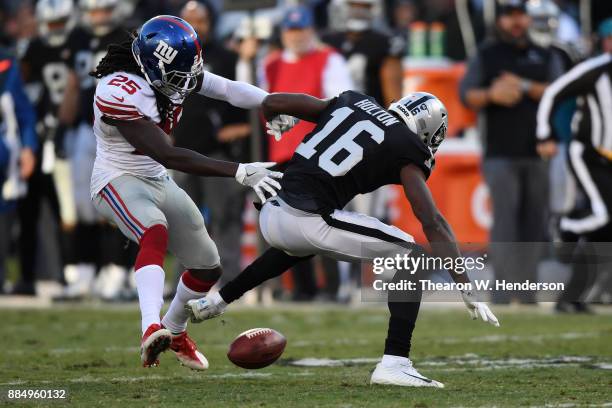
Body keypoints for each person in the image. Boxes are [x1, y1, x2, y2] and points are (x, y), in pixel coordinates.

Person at [187, 90, 500, 387]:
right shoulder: (407, 145)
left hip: (272, 213)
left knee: (302, 244)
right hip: (307, 218)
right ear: (427, 130)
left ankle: (218, 299)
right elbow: (432, 220)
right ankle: (395, 362)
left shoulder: (355, 100)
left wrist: (273, 119)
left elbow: (273, 101)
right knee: (414, 256)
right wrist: (464, 284)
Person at [88, 15, 287, 369]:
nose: (186, 83)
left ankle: (174, 330)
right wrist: (238, 171)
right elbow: (167, 153)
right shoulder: (118, 89)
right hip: (117, 178)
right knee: (154, 229)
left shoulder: (169, 72)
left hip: (156, 178)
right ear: (152, 65)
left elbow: (226, 89)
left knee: (207, 267)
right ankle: (150, 325)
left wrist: (271, 102)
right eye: (178, 75)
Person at [459, 0, 563, 303]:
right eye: (510, 17)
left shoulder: (544, 55)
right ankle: (503, 291)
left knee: (534, 222)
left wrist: (524, 84)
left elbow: (558, 91)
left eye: (520, 16)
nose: (516, 22)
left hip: (539, 149)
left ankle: (527, 291)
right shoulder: (487, 54)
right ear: (501, 20)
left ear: (528, 19)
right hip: (500, 151)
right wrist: (491, 94)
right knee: (505, 221)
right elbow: (467, 94)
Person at [263, 5, 354, 300]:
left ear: (311, 30)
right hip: (279, 154)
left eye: (301, 29)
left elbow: (341, 102)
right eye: (291, 30)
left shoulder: (329, 60)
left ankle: (333, 287)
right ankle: (303, 288)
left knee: (323, 220)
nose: (296, 36)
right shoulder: (271, 64)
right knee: (287, 226)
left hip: (316, 153)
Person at [172, 1, 251, 285]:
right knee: (184, 222)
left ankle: (230, 281)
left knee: (224, 218)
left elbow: (243, 106)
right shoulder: (168, 56)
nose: (196, 26)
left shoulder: (227, 58)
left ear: (211, 22)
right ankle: (183, 282)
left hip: (217, 154)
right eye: (189, 20)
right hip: (180, 153)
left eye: (201, 20)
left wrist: (233, 131)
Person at [536, 18, 612, 312]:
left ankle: (571, 296)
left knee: (604, 231)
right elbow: (554, 92)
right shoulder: (595, 70)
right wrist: (545, 133)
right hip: (589, 153)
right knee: (604, 214)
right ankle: (566, 225)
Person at [16, 0, 75, 296]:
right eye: (52, 23)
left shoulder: (77, 43)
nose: (56, 30)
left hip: (65, 138)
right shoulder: (32, 50)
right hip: (37, 142)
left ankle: (72, 274)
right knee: (29, 212)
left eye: (60, 22)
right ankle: (28, 276)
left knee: (68, 210)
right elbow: (22, 87)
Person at [0, 47, 37, 294]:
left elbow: (24, 114)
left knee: (5, 211)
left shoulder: (5, 65)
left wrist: (28, 148)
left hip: (3, 149)